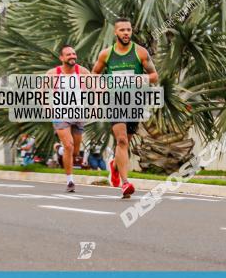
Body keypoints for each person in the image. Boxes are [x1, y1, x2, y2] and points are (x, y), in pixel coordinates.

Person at [91, 17, 158, 199]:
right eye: (122, 30)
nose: (126, 33)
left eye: (128, 30)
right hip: (114, 101)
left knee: (126, 141)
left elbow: (154, 75)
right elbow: (94, 74)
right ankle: (125, 183)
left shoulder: (140, 52)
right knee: (121, 141)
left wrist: (141, 79)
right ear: (115, 32)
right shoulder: (106, 54)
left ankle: (114, 166)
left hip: (135, 100)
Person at [47, 45, 91, 192]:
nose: (72, 56)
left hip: (78, 114)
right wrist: (47, 107)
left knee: (76, 152)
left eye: (73, 54)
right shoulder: (54, 74)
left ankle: (59, 150)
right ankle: (70, 181)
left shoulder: (82, 72)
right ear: (61, 58)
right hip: (60, 115)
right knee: (69, 145)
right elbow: (41, 92)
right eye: (68, 54)